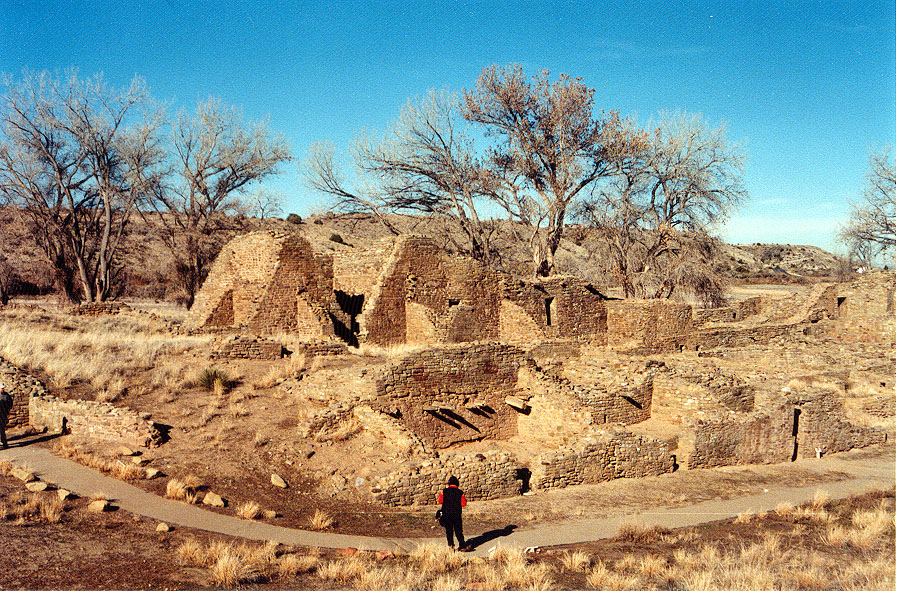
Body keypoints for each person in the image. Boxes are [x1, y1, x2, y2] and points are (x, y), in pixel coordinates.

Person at [437, 475, 468, 550]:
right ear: (457, 483)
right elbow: (464, 504)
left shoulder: (444, 491)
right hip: (456, 514)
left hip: (446, 514)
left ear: (449, 483)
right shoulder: (460, 492)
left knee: (449, 530)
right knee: (458, 530)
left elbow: (439, 501)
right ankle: (462, 546)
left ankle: (451, 546)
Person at [0, 384, 11, 449]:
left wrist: (7, 411)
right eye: (1, 388)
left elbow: (10, 403)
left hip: (3, 415)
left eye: (3, 388)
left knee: (2, 429)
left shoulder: (7, 395)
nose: (2, 389)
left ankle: (4, 443)